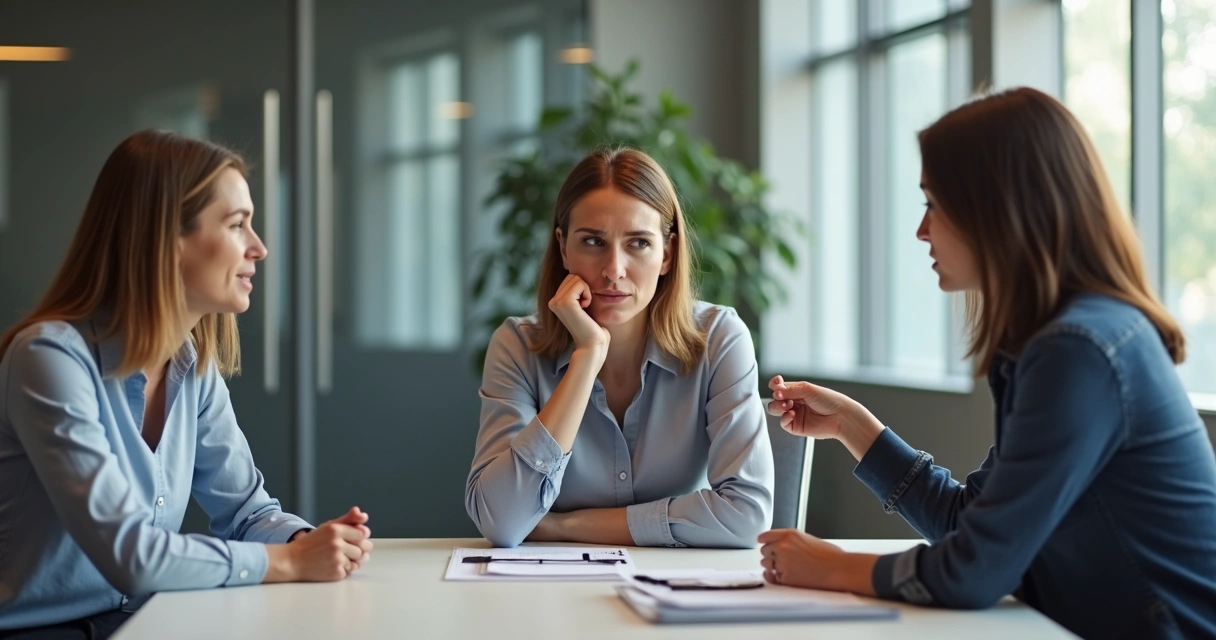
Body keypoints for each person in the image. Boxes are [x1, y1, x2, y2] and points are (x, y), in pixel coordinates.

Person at [758, 87, 1216, 639]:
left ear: (998, 209)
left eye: (933, 203)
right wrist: (852, 426)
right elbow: (969, 529)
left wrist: (832, 566)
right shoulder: (1055, 341)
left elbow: (974, 570)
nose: (921, 230)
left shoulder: (1078, 350)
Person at [0, 130, 373, 639]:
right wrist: (288, 562)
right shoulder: (48, 359)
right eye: (237, 225)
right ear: (168, 240)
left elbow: (247, 513)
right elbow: (130, 555)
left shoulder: (191, 366)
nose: (259, 248)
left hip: (141, 621)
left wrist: (308, 541)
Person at [466, 147, 774, 549]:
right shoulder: (518, 346)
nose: (613, 270)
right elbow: (502, 521)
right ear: (563, 248)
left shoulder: (719, 338)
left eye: (638, 243)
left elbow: (746, 516)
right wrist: (587, 357)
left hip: (675, 581)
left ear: (667, 254)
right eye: (593, 241)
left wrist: (565, 526)